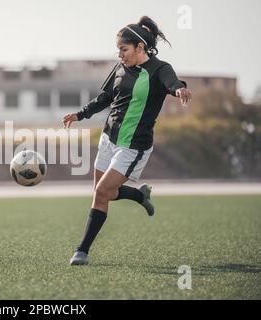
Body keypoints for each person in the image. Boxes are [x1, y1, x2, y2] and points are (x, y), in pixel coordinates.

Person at [62, 16, 192, 266]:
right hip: (109, 139)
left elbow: (173, 84)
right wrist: (80, 115)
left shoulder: (160, 69)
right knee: (102, 193)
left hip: (134, 147)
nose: (119, 54)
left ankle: (82, 251)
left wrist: (180, 90)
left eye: (124, 49)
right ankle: (139, 196)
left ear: (140, 48)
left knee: (102, 192)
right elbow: (104, 99)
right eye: (118, 49)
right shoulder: (119, 68)